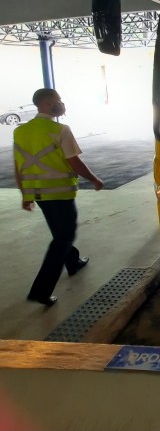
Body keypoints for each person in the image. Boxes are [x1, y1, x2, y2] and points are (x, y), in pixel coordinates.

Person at [13, 88, 104, 306]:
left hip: (38, 193)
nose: (60, 104)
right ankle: (41, 291)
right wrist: (94, 179)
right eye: (57, 101)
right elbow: (74, 162)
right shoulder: (61, 129)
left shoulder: (20, 131)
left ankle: (73, 263)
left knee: (59, 232)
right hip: (60, 193)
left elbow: (18, 166)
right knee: (64, 237)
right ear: (44, 104)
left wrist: (25, 195)